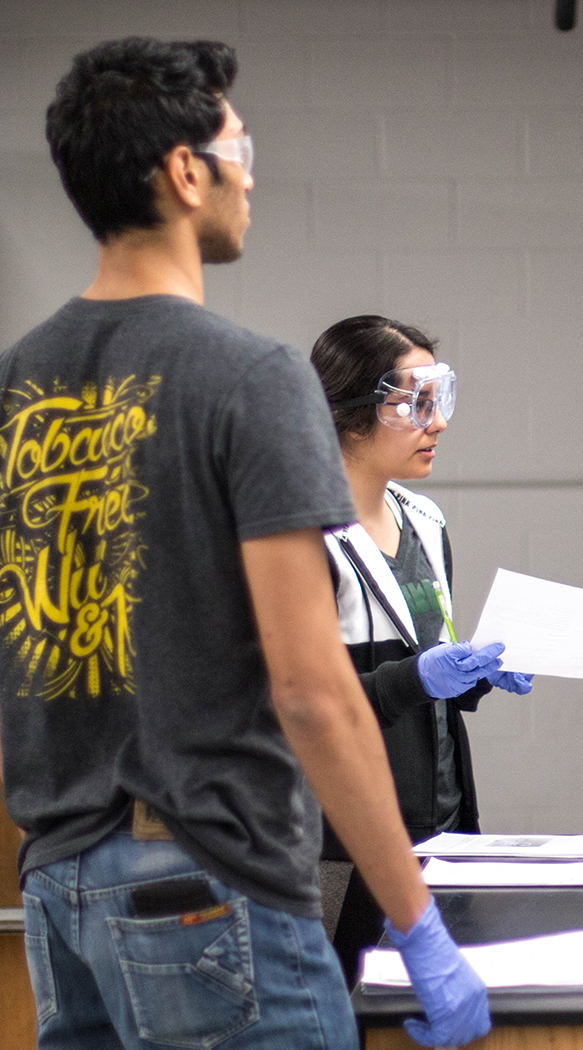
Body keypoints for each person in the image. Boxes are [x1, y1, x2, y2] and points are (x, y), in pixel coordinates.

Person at [0, 38, 488, 1048]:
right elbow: (311, 690)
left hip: (58, 884)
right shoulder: (250, 378)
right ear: (186, 172)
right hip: (209, 884)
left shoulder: (20, 380)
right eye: (240, 143)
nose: (252, 171)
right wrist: (418, 923)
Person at [310, 314, 532, 980]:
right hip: (342, 850)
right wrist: (415, 679)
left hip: (446, 829)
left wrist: (478, 673)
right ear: (351, 412)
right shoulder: (308, 539)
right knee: (345, 1015)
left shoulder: (425, 519)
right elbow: (306, 710)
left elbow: (435, 670)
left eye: (440, 401)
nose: (438, 422)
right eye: (416, 404)